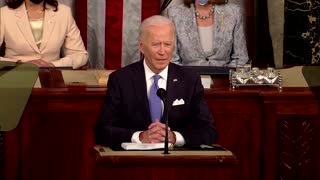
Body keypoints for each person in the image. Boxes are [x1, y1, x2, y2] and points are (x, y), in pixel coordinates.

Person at [95, 15, 217, 148]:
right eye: (156, 44)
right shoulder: (121, 79)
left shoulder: (189, 80)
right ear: (142, 47)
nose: (162, 52)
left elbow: (209, 131)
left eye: (168, 44)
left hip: (176, 160)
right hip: (133, 160)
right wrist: (140, 137)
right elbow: (103, 130)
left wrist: (174, 137)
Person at [0, 0, 88, 69]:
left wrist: (53, 65)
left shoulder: (64, 13)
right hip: (15, 77)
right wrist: (19, 64)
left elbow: (80, 54)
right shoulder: (4, 14)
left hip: (52, 79)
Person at [167, 0, 248, 67]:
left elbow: (240, 58)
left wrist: (226, 77)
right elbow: (173, 59)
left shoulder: (233, 12)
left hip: (224, 80)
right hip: (188, 81)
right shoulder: (175, 14)